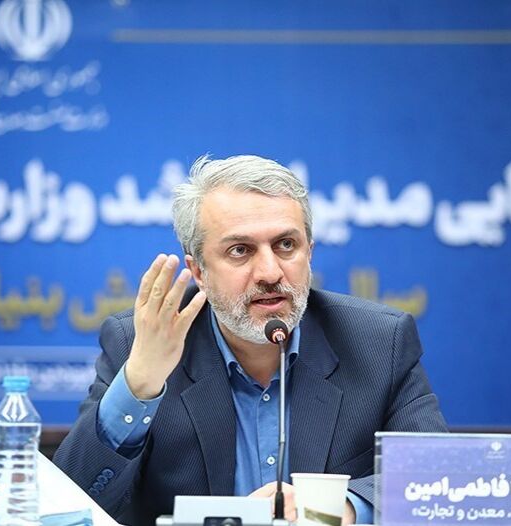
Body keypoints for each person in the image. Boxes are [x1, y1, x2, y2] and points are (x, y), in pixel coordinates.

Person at [53, 155, 447, 526]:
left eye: (286, 245)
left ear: (309, 252)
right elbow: (70, 507)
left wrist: (337, 509)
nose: (270, 272)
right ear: (199, 271)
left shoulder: (378, 342)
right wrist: (140, 383)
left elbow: (438, 479)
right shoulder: (141, 344)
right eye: (240, 250)